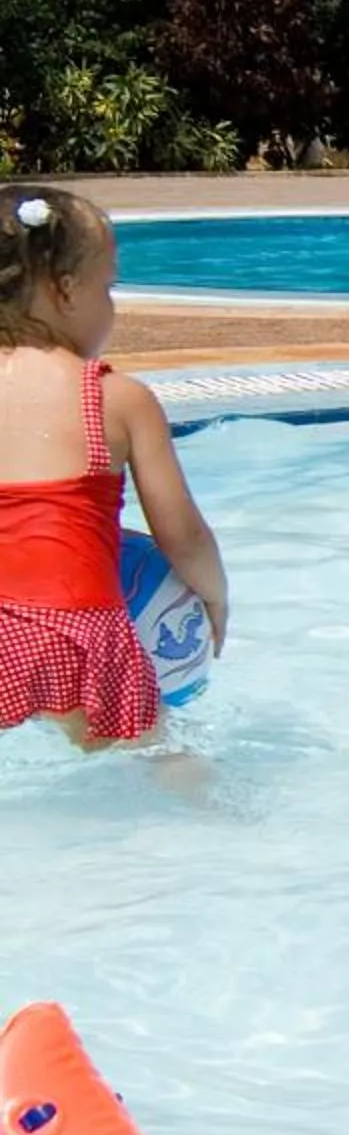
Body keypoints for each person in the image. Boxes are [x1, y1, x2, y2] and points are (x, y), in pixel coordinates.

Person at [0, 184, 228, 748]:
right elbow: (183, 535)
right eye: (110, 286)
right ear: (66, 290)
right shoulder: (116, 400)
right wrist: (216, 596)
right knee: (165, 764)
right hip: (80, 640)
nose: (112, 304)